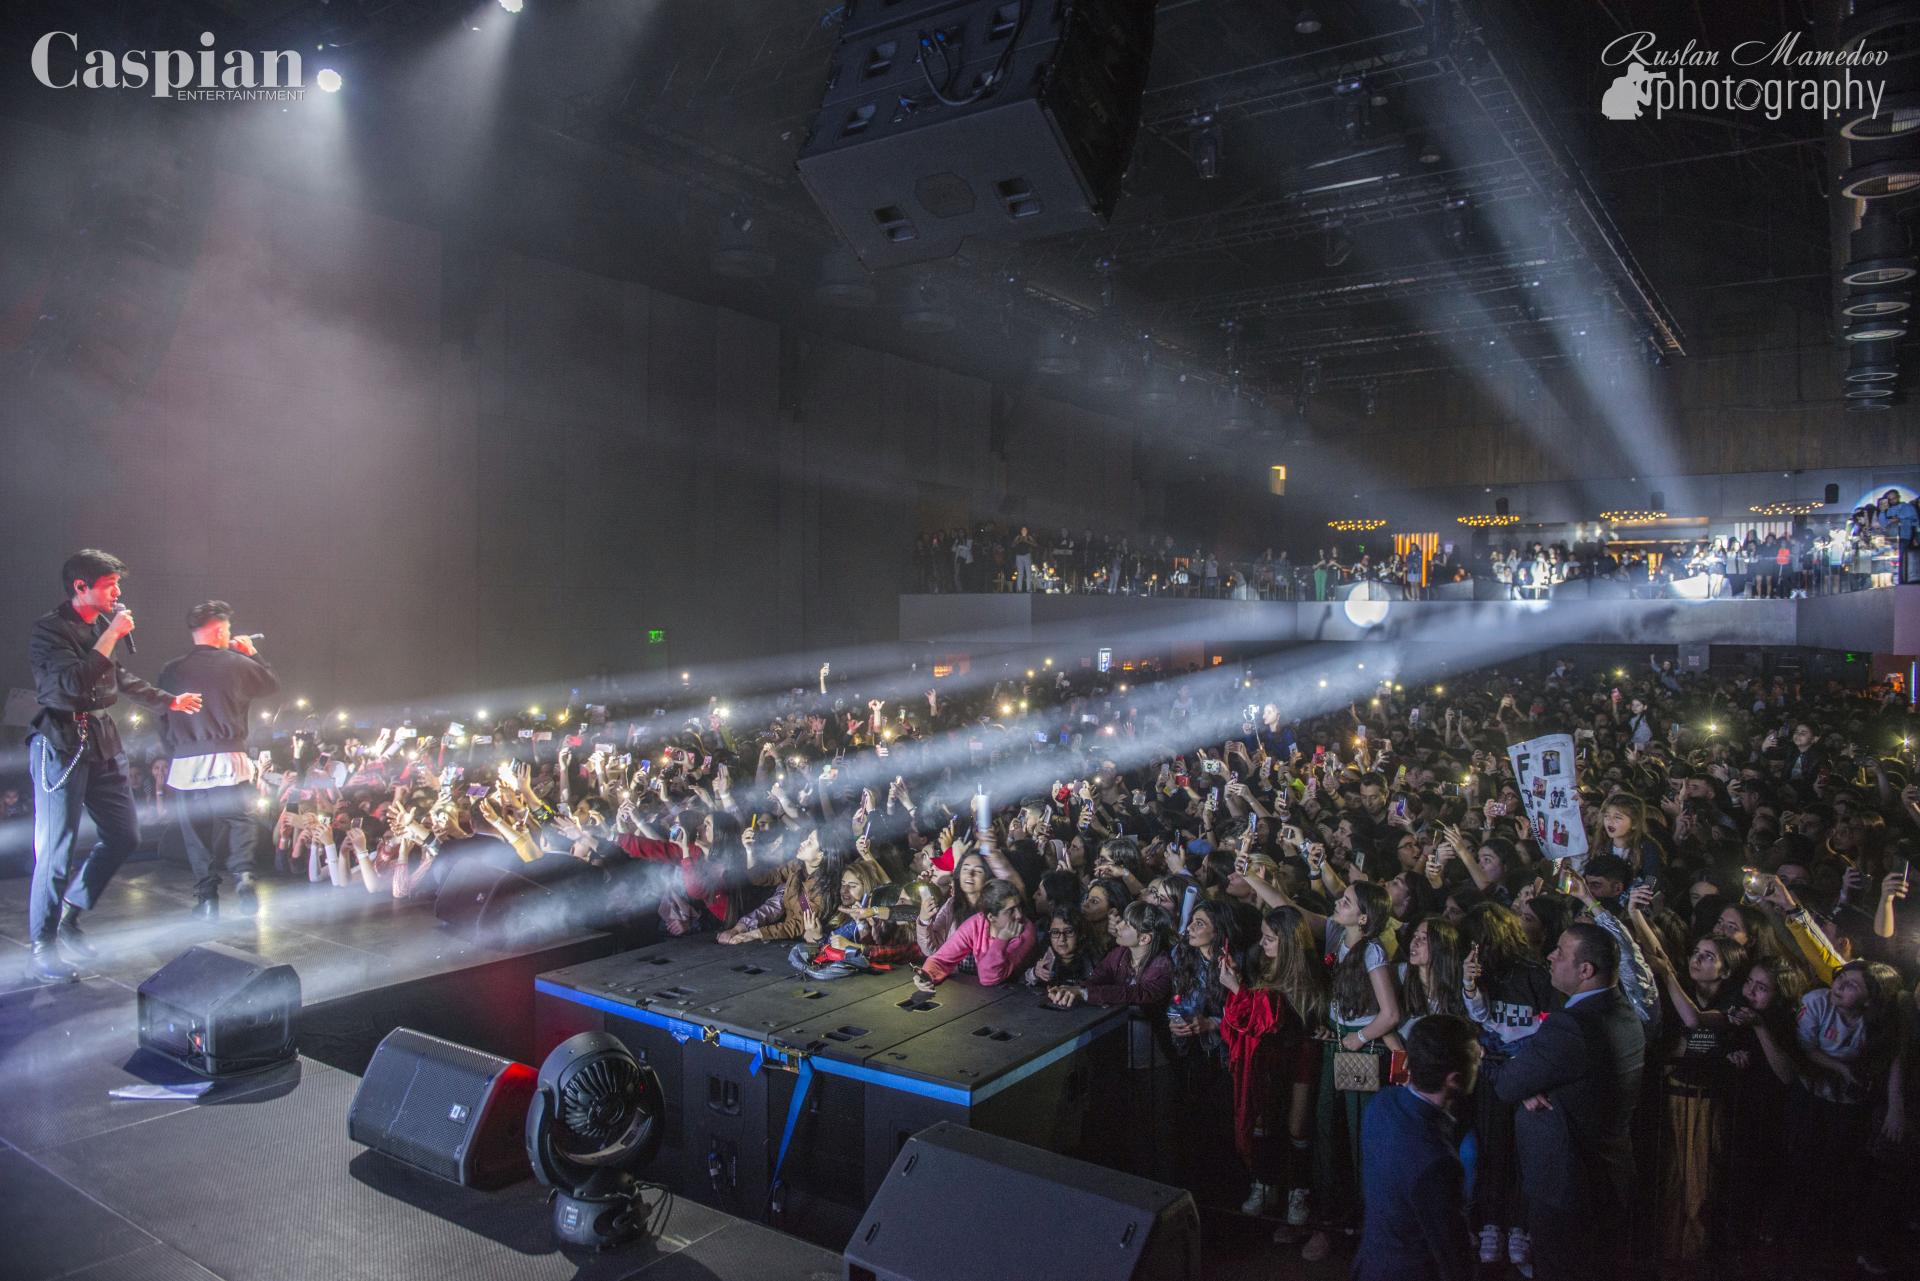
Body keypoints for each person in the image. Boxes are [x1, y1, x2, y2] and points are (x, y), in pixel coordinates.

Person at [26, 550, 203, 983]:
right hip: (60, 741)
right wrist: (110, 635)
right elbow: (72, 683)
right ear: (80, 587)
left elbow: (118, 678)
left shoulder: (100, 626)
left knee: (125, 834)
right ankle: (43, 945)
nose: (118, 593)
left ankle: (70, 914)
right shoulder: (49, 631)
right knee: (57, 849)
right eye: (109, 585)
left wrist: (169, 701)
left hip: (102, 738)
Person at [1489, 922, 1646, 1281]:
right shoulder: (1624, 1013)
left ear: (1585, 970)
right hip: (1608, 1173)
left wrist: (1524, 1082)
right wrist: (1531, 1084)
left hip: (1567, 1180)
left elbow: (1508, 1083)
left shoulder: (1570, 1025)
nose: (1550, 956)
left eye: (1560, 952)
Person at [157, 602, 279, 918]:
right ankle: (243, 873)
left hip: (186, 760)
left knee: (195, 833)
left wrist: (174, 752)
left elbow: (162, 715)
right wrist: (251, 652)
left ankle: (208, 899)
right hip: (228, 754)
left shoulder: (172, 670)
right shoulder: (238, 664)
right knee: (239, 819)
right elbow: (271, 684)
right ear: (220, 630)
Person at [1352, 1014, 1481, 1281]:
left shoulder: (1382, 1103)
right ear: (1454, 1079)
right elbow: (1452, 1252)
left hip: (1371, 1266)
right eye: (1475, 1059)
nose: (1479, 1061)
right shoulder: (1438, 1162)